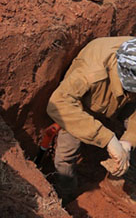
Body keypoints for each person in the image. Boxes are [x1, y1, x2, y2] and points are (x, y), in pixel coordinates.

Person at [47, 37, 136, 202]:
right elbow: (58, 103)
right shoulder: (90, 73)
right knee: (66, 154)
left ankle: (123, 180)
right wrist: (108, 139)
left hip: (123, 97)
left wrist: (128, 142)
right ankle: (65, 195)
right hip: (82, 104)